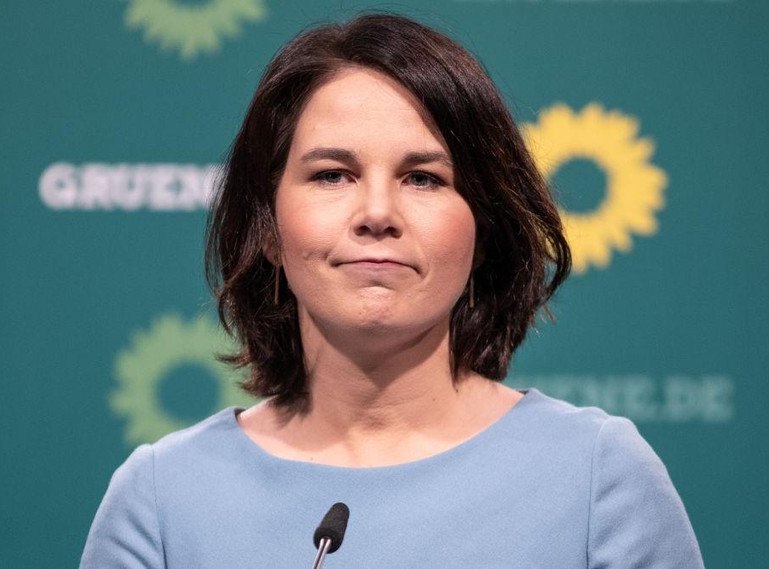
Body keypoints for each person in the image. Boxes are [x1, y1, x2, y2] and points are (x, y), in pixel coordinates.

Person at [80, 13, 703, 568]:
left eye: (424, 179)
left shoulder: (599, 478)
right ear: (268, 226)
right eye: (332, 175)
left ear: (484, 228)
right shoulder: (163, 499)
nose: (377, 212)